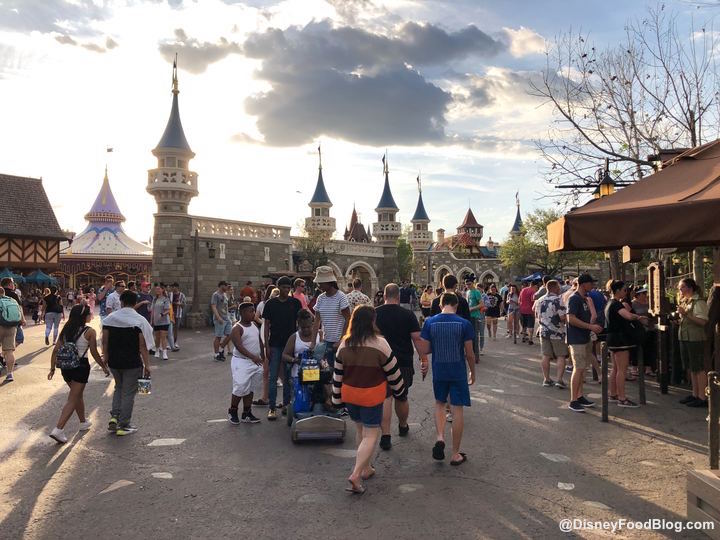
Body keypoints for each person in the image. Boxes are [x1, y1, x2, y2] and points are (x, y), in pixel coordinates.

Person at [333, 305, 407, 494]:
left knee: (360, 430)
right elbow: (393, 372)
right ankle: (356, 473)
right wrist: (400, 391)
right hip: (371, 395)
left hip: (350, 394)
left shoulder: (345, 343)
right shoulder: (380, 343)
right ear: (372, 321)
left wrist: (336, 400)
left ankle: (366, 468)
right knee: (371, 434)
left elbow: (337, 375)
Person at [417, 292, 475, 466]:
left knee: (440, 404)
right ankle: (455, 453)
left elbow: (424, 349)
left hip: (439, 370)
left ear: (441, 305)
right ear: (456, 305)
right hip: (457, 371)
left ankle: (440, 437)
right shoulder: (464, 324)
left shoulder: (430, 322)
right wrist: (472, 372)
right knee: (457, 410)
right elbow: (469, 353)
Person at [48, 305, 110, 443]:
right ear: (84, 316)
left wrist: (52, 368)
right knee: (72, 398)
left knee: (77, 395)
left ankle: (83, 422)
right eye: (89, 314)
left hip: (65, 367)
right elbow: (94, 352)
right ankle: (58, 429)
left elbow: (55, 350)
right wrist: (103, 367)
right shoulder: (89, 331)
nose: (91, 316)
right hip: (80, 367)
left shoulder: (66, 330)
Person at [375, 283, 426, 450]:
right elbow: (417, 339)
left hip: (380, 362)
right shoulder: (408, 314)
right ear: (398, 296)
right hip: (402, 362)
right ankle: (403, 425)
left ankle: (385, 435)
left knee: (385, 397)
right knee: (401, 396)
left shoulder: (374, 313)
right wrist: (424, 359)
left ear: (384, 296)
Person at [102, 290, 153, 435]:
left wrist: (105, 358)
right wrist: (147, 365)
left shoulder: (110, 319)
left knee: (118, 387)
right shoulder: (140, 320)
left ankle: (114, 417)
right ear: (135, 303)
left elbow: (105, 342)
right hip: (132, 362)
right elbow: (143, 346)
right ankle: (124, 425)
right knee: (128, 393)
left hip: (114, 361)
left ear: (122, 302)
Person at [262, 276, 301, 420]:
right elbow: (266, 326)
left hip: (290, 345)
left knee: (288, 377)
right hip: (275, 344)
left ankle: (286, 404)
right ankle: (272, 407)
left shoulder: (295, 303)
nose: (286, 290)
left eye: (288, 288)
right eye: (284, 287)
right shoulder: (270, 304)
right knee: (273, 376)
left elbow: (300, 323)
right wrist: (266, 345)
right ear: (278, 288)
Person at [605, 280, 647, 408]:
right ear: (617, 291)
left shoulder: (610, 303)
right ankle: (622, 398)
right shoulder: (616, 304)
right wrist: (638, 317)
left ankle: (613, 394)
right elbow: (628, 316)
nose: (626, 292)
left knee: (615, 368)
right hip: (620, 339)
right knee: (622, 369)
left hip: (612, 338)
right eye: (624, 290)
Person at [566, 274, 604, 413]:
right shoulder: (574, 298)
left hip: (584, 337)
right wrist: (590, 327)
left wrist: (592, 326)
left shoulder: (584, 298)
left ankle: (579, 396)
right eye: (590, 283)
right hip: (576, 339)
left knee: (582, 369)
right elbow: (570, 318)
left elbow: (589, 317)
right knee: (578, 368)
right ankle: (573, 400)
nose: (593, 286)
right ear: (583, 284)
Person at [222, 301, 263, 424]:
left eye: (253, 310)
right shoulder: (237, 328)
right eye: (251, 311)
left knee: (250, 388)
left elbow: (259, 341)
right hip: (242, 362)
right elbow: (239, 346)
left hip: (255, 362)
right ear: (243, 313)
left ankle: (247, 413)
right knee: (240, 387)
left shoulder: (254, 325)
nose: (253, 313)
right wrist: (253, 357)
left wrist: (263, 355)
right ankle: (233, 411)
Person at [676, 278, 709, 407]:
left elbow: (702, 322)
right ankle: (695, 394)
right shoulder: (685, 301)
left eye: (682, 287)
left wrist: (686, 314)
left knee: (698, 367)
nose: (680, 290)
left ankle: (702, 397)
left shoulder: (699, 302)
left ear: (690, 288)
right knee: (691, 367)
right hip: (685, 337)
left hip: (695, 338)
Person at [310, 266, 351, 369]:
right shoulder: (320, 298)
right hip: (327, 341)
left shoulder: (341, 297)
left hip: (340, 342)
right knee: (329, 371)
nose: (319, 285)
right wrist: (313, 342)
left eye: (321, 283)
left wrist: (341, 340)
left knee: (340, 371)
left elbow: (348, 319)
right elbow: (316, 322)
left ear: (329, 282)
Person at [537, 280, 569, 389]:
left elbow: (538, 316)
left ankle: (546, 379)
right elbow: (562, 317)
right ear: (554, 288)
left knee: (546, 355)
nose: (559, 289)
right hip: (557, 331)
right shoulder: (558, 300)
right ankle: (559, 379)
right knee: (561, 355)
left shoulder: (540, 300)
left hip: (544, 331)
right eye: (558, 287)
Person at [0, 286, 24, 383]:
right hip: (11, 327)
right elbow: (20, 312)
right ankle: (9, 374)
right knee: (9, 351)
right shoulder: (12, 300)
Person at [465, 274, 487, 359]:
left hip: (475, 316)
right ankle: (470, 352)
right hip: (468, 316)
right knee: (469, 335)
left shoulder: (476, 292)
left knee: (475, 336)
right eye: (466, 284)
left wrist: (472, 308)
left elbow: (482, 304)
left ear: (473, 283)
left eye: (469, 284)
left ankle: (476, 355)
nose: (468, 286)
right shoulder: (467, 292)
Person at [212, 281, 232, 362]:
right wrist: (218, 317)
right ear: (222, 286)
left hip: (227, 318)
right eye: (226, 286)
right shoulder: (216, 295)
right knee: (218, 336)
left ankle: (221, 348)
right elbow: (213, 306)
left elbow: (226, 306)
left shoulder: (225, 294)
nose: (227, 288)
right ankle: (216, 354)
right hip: (220, 319)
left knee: (230, 334)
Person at [150, 284, 171, 360]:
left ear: (162, 290)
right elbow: (152, 311)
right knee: (157, 337)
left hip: (164, 321)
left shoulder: (166, 299)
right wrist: (151, 320)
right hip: (156, 321)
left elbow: (168, 310)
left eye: (159, 289)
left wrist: (162, 314)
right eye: (156, 289)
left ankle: (165, 353)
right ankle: (157, 350)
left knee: (163, 337)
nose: (157, 290)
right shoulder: (154, 299)